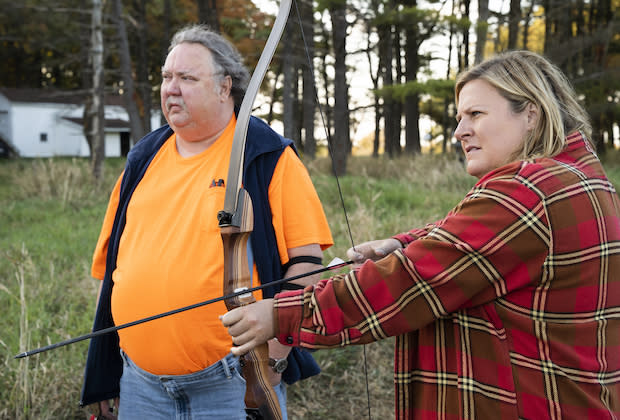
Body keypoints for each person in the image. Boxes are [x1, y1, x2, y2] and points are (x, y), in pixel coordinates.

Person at [222, 50, 620, 419]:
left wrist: (281, 314)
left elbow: (408, 281)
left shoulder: (525, 193)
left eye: (476, 114)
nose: (460, 131)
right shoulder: (578, 176)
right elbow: (469, 240)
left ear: (530, 113)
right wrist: (403, 243)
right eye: (459, 117)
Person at [80, 24, 333, 419]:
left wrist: (276, 356)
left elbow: (307, 263)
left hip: (235, 383)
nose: (171, 88)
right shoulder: (142, 160)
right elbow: (110, 273)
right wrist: (103, 370)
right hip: (139, 384)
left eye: (187, 78)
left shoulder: (266, 156)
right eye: (166, 77)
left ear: (223, 87)